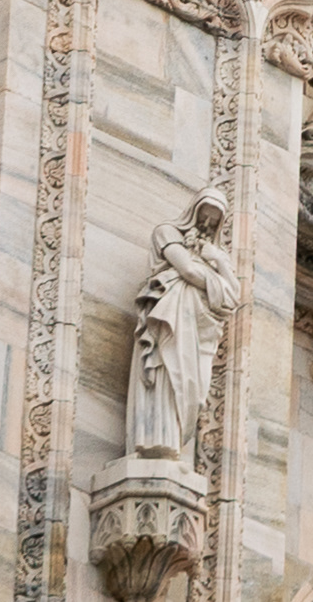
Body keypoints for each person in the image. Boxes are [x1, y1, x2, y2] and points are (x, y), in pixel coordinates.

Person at [129, 194, 237, 462]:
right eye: (204, 215)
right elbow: (187, 270)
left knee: (194, 388)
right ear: (193, 210)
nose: (206, 224)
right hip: (169, 320)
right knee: (166, 373)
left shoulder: (215, 255)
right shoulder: (166, 232)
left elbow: (234, 296)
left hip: (200, 330)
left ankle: (173, 439)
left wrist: (218, 259)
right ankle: (154, 442)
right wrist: (216, 283)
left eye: (214, 221)